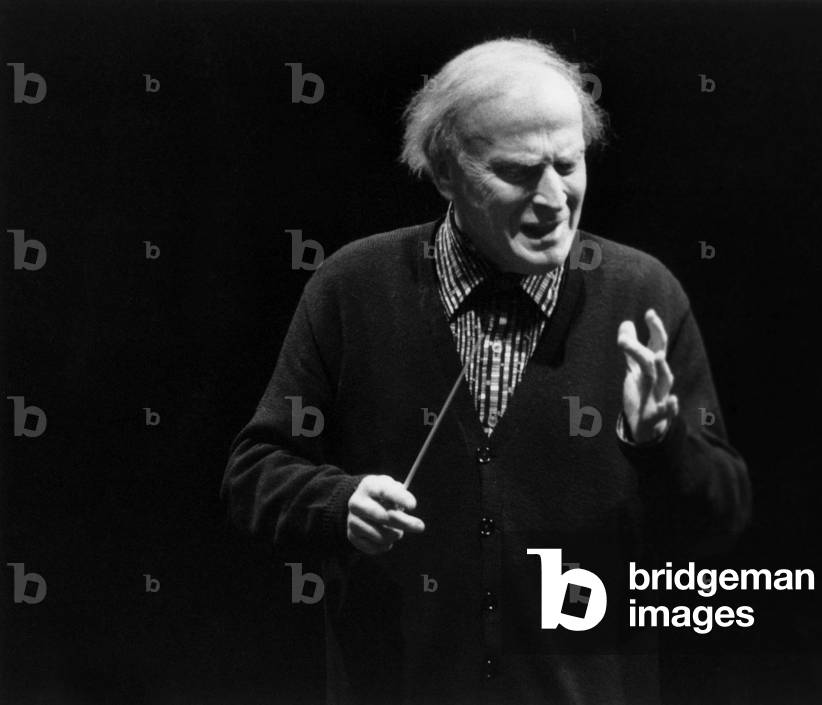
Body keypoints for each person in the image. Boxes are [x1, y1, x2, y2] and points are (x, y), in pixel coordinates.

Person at [222, 36, 751, 705]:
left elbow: (720, 515)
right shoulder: (352, 287)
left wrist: (660, 443)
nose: (554, 197)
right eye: (519, 171)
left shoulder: (642, 293)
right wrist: (336, 502)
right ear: (445, 171)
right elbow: (253, 473)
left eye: (568, 163)